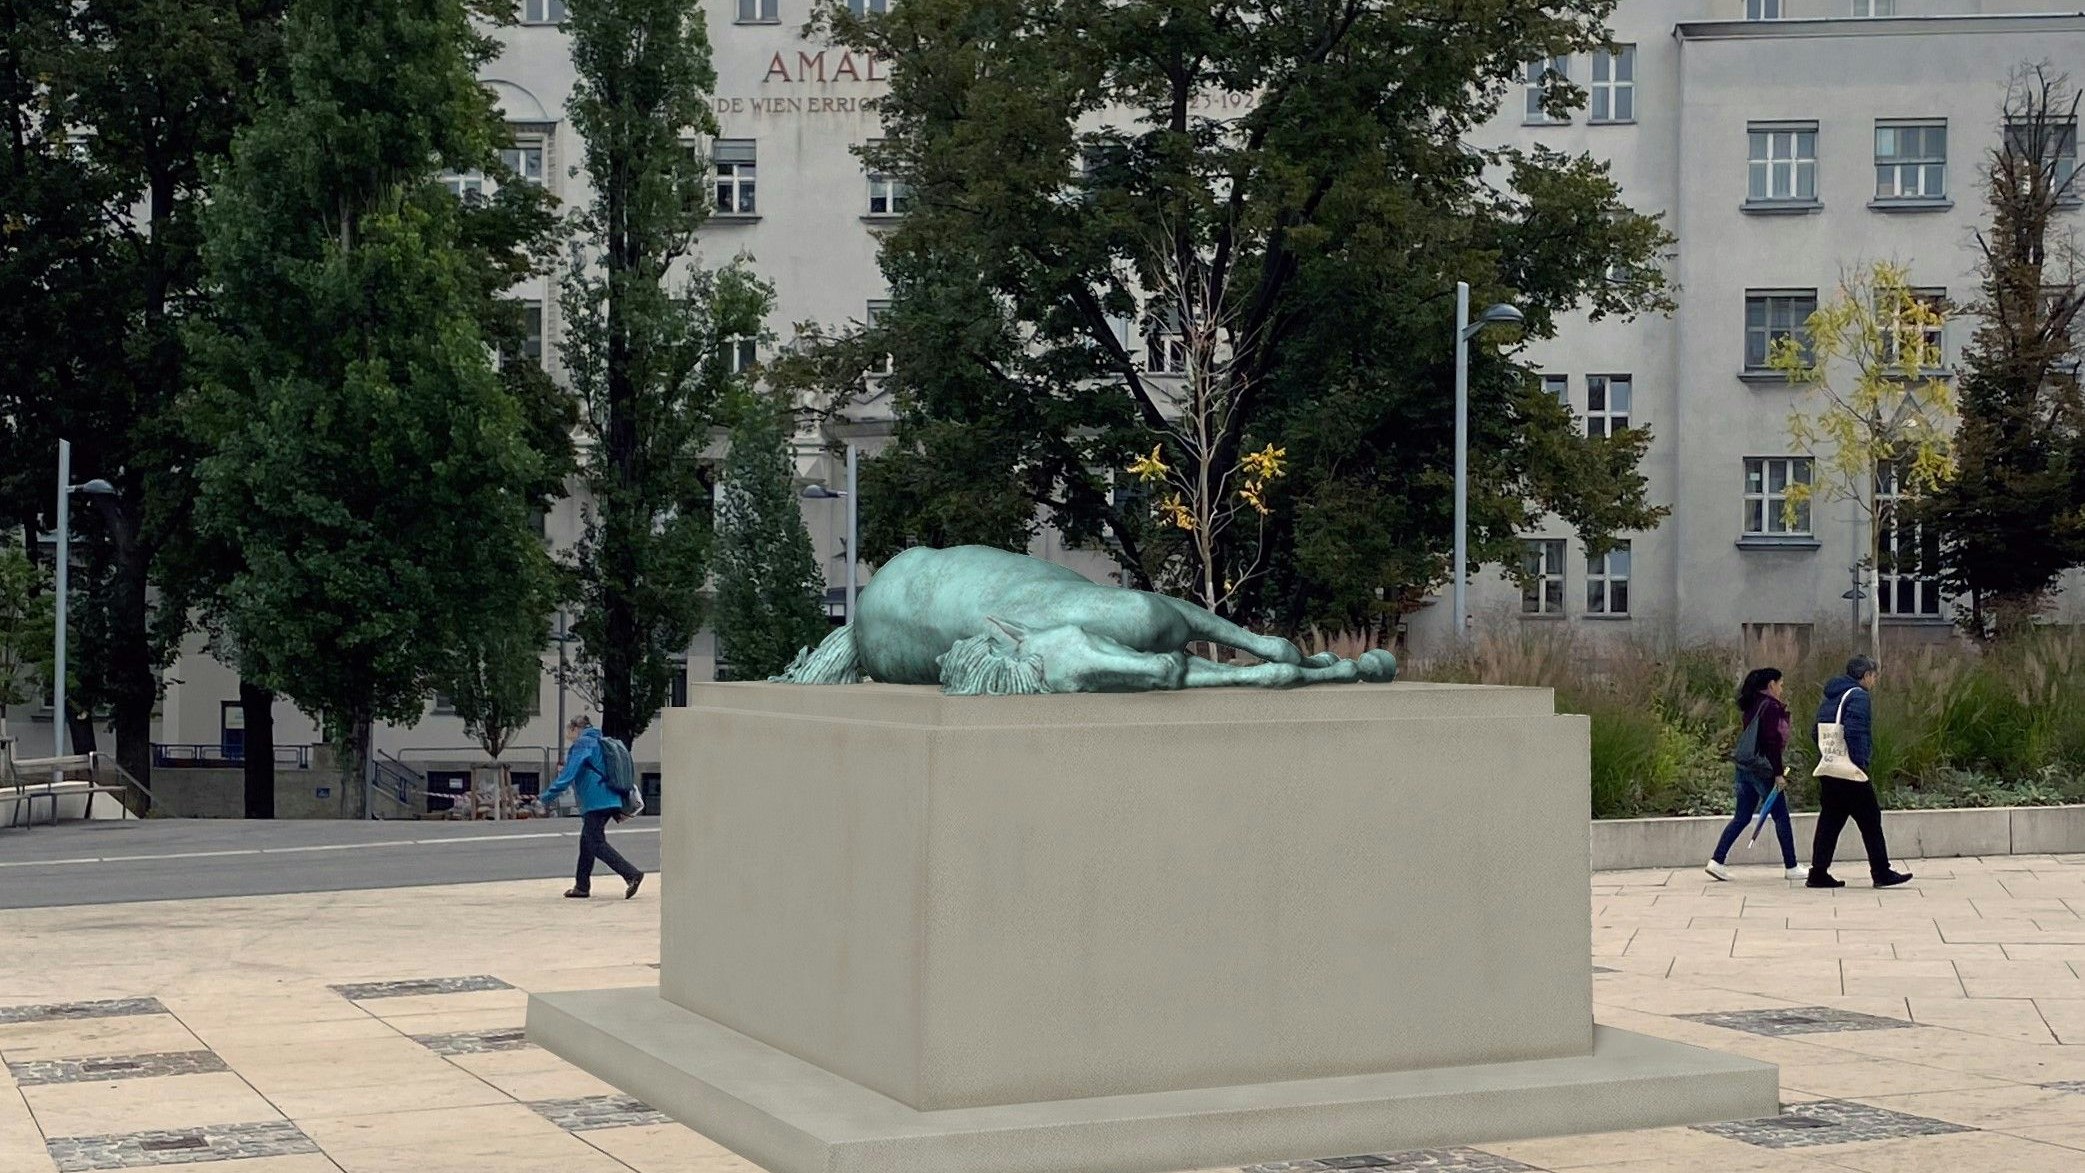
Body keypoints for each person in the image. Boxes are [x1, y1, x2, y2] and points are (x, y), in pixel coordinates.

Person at [1808, 655, 1913, 890]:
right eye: (1873, 676)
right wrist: (1860, 762)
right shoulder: (1858, 696)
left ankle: (1818, 872)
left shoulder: (1831, 696)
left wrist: (1826, 755)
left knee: (1830, 821)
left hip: (1828, 767)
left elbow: (1815, 732)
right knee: (1870, 819)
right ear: (1866, 676)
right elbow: (1856, 731)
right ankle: (1881, 872)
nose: (1874, 681)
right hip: (1849, 770)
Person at [1705, 668, 1802, 882]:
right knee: (1781, 816)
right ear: (1771, 685)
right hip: (1762, 770)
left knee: (1741, 816)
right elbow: (1771, 742)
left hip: (1744, 768)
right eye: (1780, 684)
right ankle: (1791, 865)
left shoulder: (1751, 705)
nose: (1781, 689)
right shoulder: (1771, 707)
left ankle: (1717, 860)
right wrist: (1778, 773)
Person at [538, 716, 645, 900]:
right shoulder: (601, 742)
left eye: (568, 731)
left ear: (574, 728)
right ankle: (582, 886)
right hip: (612, 797)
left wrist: (546, 797)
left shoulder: (583, 744)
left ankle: (631, 874)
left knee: (595, 842)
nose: (568, 735)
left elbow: (568, 774)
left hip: (597, 801)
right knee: (587, 841)